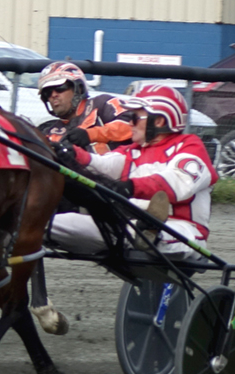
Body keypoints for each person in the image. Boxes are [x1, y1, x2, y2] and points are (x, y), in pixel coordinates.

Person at [48, 84, 219, 261]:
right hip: (130, 227)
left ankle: (150, 233)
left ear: (159, 121)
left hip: (183, 229)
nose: (130, 123)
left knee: (157, 234)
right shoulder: (133, 150)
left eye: (135, 118)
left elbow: (178, 182)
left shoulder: (190, 146)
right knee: (51, 224)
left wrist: (130, 187)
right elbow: (104, 164)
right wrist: (71, 154)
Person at [37, 61, 134, 154]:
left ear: (78, 88)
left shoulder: (102, 104)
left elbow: (133, 125)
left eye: (59, 88)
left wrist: (90, 135)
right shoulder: (49, 133)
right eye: (48, 92)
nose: (53, 95)